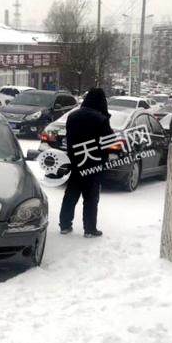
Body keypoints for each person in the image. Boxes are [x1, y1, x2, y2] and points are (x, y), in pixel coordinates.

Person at [59, 88, 114, 238]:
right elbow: (108, 140)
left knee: (71, 194)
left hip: (76, 160)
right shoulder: (101, 119)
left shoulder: (73, 115)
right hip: (93, 162)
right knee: (90, 197)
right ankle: (89, 229)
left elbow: (69, 138)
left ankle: (64, 224)